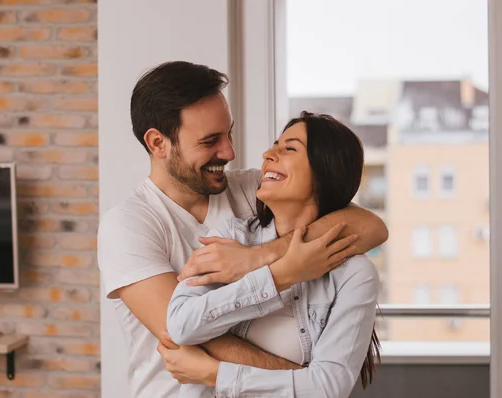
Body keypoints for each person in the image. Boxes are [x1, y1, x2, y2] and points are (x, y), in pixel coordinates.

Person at [97, 61, 388, 398]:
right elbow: (190, 334)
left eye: (229, 133)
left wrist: (261, 257)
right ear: (158, 143)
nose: (230, 152)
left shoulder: (253, 191)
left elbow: (370, 225)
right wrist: (310, 385)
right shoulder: (128, 226)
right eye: (210, 141)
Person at [161, 112, 380, 398]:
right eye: (275, 144)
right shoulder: (232, 238)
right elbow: (181, 325)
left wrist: (214, 373)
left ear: (326, 170)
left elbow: (328, 388)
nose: (267, 154)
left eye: (289, 148)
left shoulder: (354, 274)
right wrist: (279, 276)